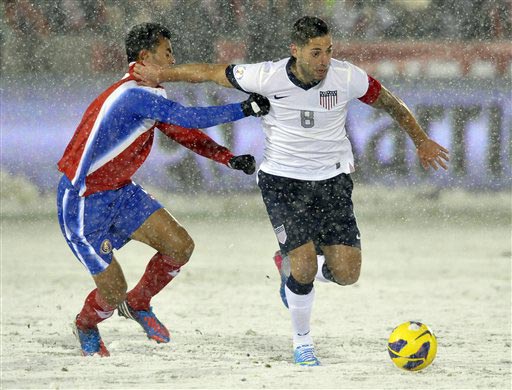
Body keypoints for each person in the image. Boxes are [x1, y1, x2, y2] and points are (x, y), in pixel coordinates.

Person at [134, 16, 449, 366]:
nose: (324, 60)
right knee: (303, 268)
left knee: (347, 274)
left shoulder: (347, 77)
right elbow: (209, 71)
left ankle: (291, 265)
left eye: (328, 51)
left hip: (333, 181)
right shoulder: (265, 76)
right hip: (283, 182)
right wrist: (161, 74)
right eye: (316, 52)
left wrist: (421, 140)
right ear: (295, 51)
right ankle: (302, 343)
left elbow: (389, 102)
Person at [56, 22, 270, 357]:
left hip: (121, 192)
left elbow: (183, 132)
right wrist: (245, 108)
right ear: (145, 57)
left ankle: (139, 303)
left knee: (179, 246)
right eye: (167, 53)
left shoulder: (151, 95)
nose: (173, 61)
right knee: (111, 292)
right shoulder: (133, 94)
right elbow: (189, 118)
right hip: (83, 202)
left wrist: (227, 158)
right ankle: (86, 324)